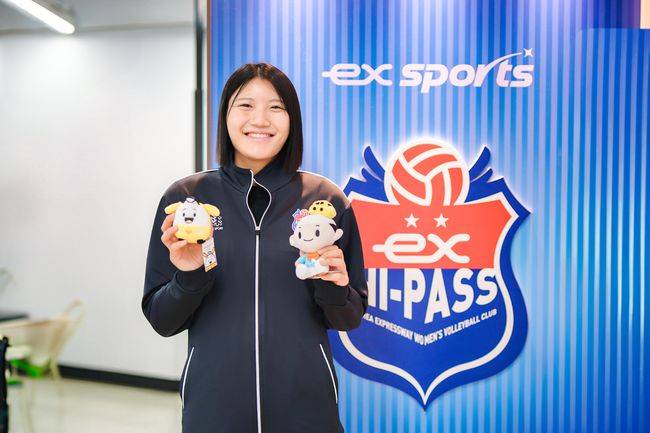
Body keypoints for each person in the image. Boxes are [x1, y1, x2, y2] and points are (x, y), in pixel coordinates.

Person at [142, 63, 368, 433]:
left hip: (306, 412)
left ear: (292, 120)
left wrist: (334, 286)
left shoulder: (325, 200)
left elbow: (348, 318)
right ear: (225, 116)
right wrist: (189, 276)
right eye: (245, 105)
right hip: (214, 412)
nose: (260, 119)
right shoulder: (186, 200)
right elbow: (162, 320)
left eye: (276, 107)